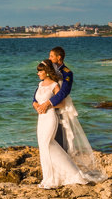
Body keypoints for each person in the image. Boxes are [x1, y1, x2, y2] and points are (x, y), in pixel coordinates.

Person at [32, 47, 105, 183]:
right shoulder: (48, 69)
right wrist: (36, 103)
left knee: (62, 141)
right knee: (50, 143)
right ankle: (55, 174)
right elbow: (40, 90)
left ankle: (67, 174)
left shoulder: (67, 73)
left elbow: (63, 93)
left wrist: (48, 103)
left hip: (59, 109)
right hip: (46, 112)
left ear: (59, 57)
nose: (50, 58)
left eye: (52, 56)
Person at [34, 60, 88, 188]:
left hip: (50, 117)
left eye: (40, 71)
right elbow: (35, 100)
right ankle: (48, 178)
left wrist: (48, 106)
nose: (38, 73)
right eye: (38, 71)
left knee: (49, 144)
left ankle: (74, 174)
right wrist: (37, 106)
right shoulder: (40, 85)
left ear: (47, 72)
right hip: (40, 119)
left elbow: (62, 103)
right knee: (43, 147)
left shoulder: (54, 85)